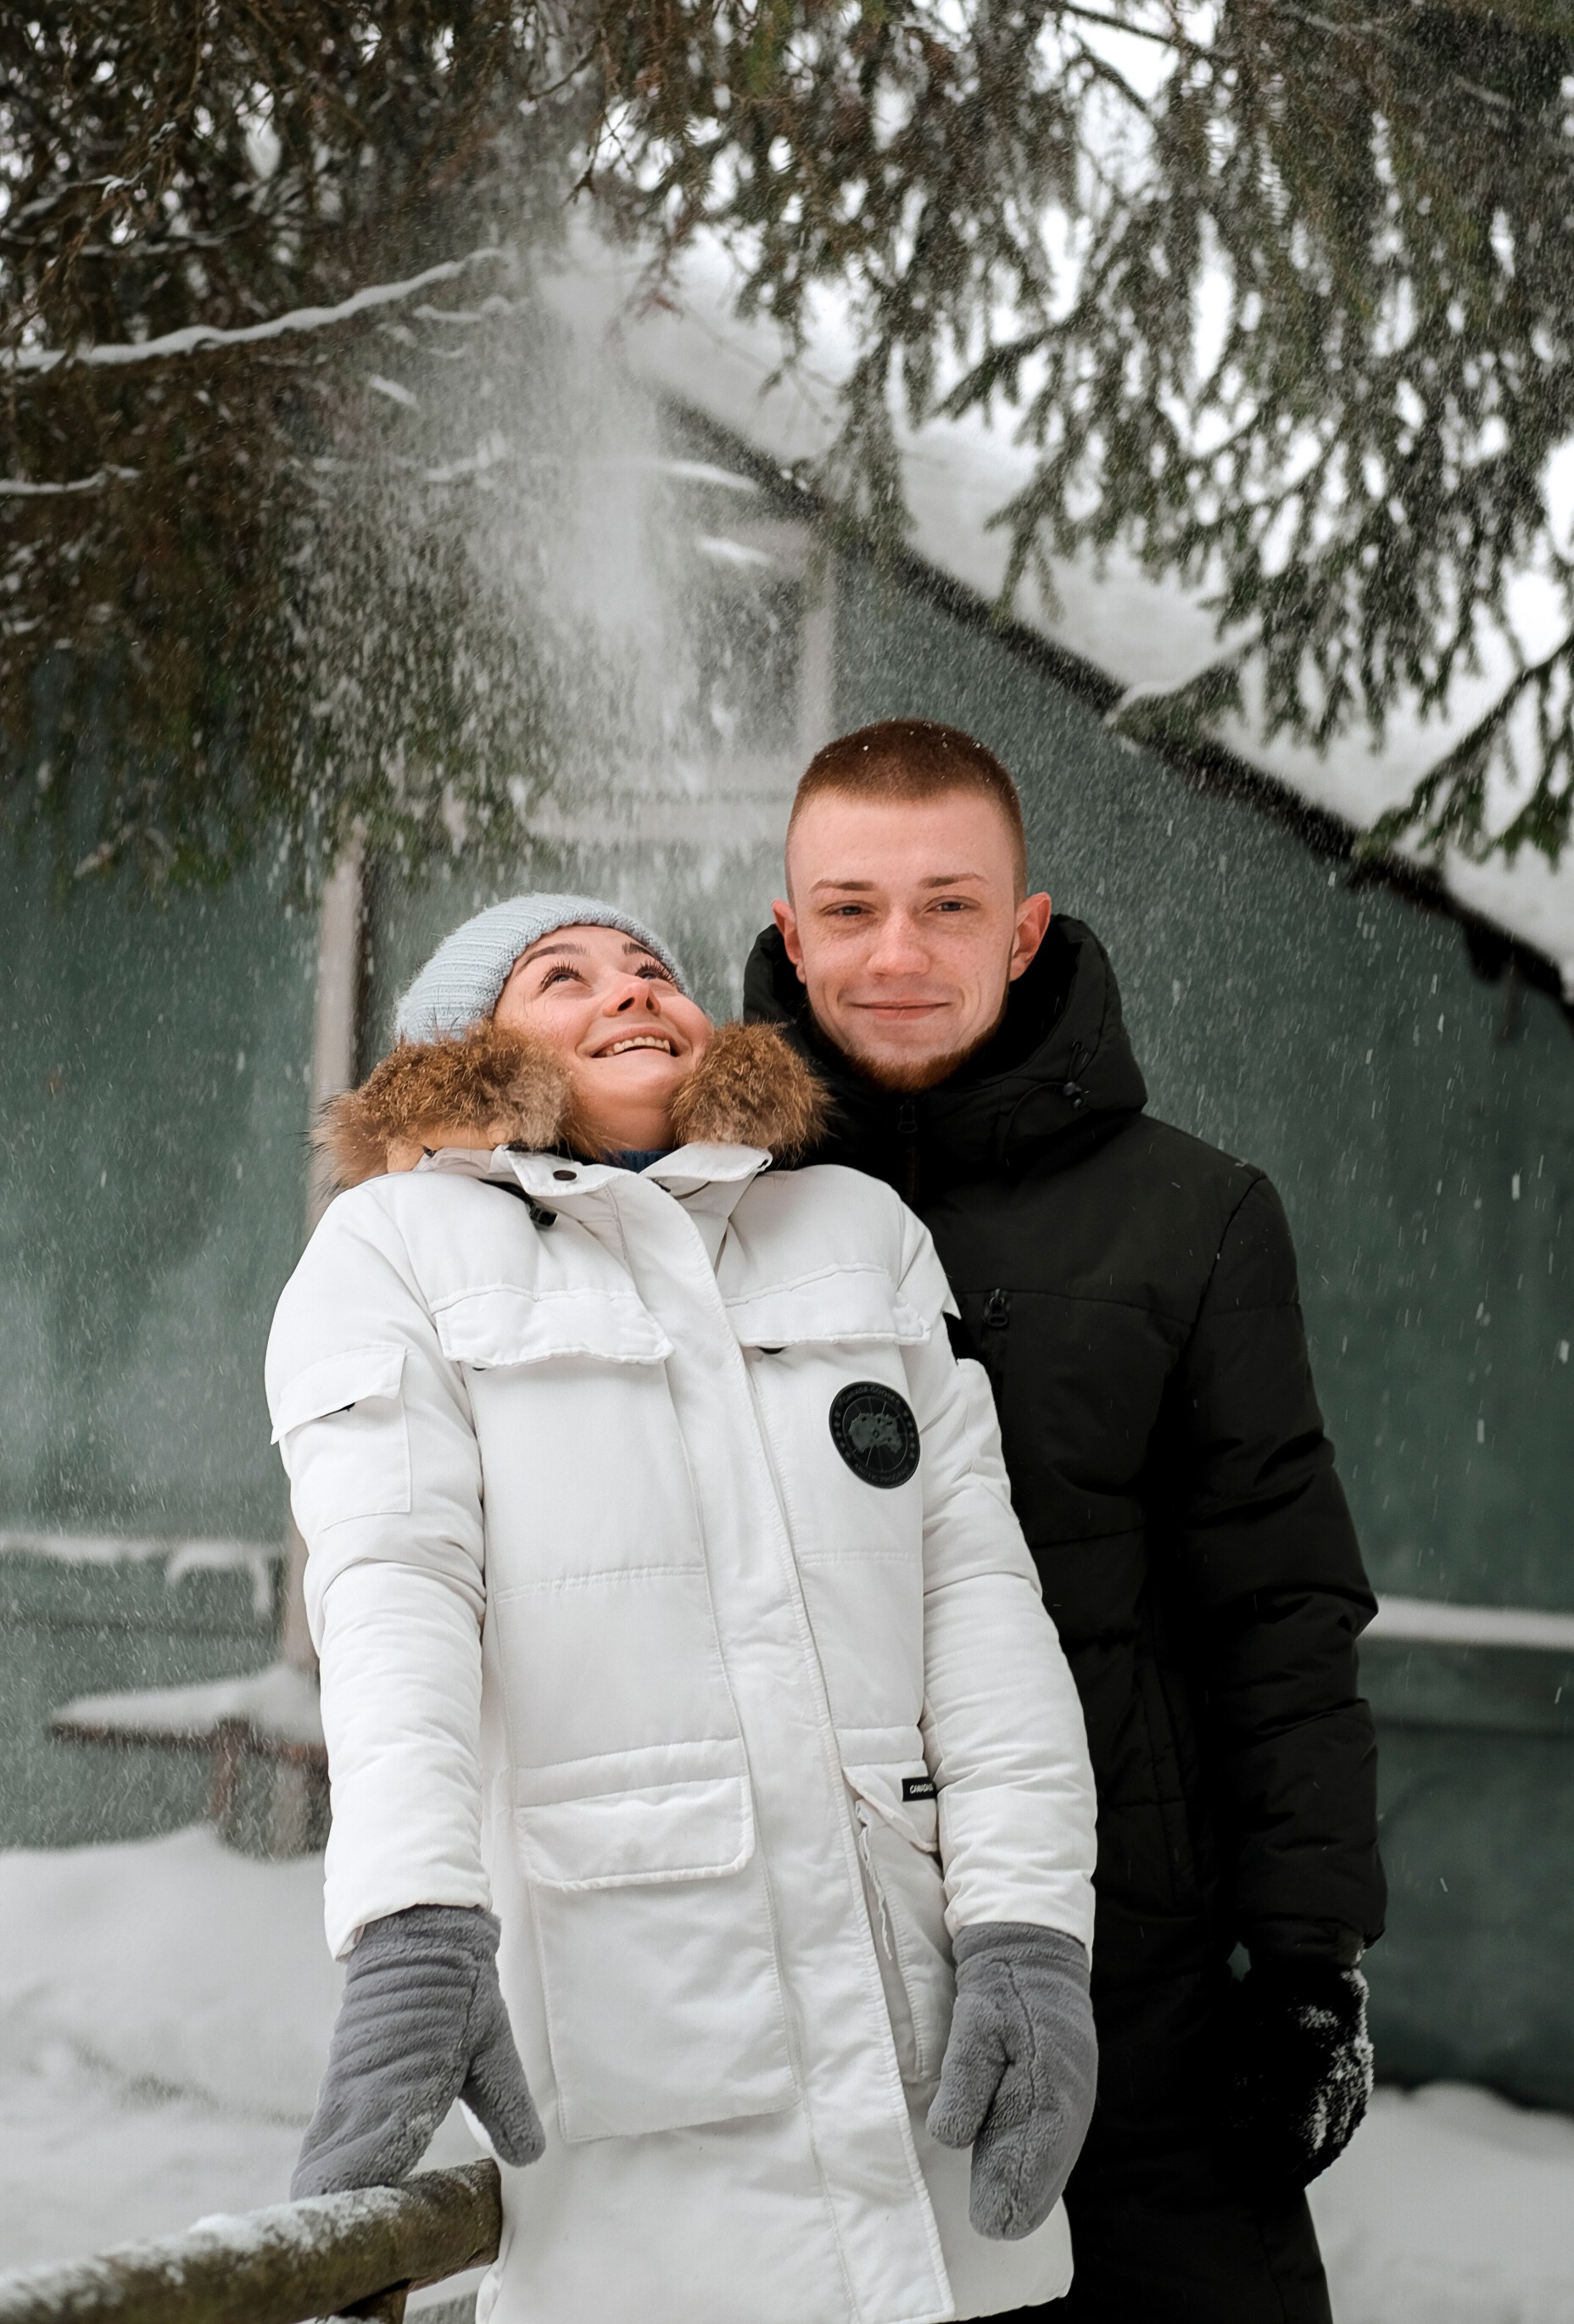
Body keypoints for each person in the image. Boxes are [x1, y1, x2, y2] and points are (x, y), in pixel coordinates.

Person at [271, 893, 1101, 2324]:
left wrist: (1030, 1929)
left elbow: (974, 1595)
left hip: (900, 2037)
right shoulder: (393, 1247)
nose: (631, 992)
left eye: (654, 969)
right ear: (468, 1047)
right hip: (635, 2036)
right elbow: (392, 1592)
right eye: (564, 976)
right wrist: (413, 1923)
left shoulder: (854, 1228)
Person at [745, 725, 1386, 2324]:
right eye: (851, 909)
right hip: (798, 1983)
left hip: (1140, 1988)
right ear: (786, 927)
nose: (897, 952)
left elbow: (1281, 1608)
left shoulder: (1193, 1218)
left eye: (950, 906)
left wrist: (1305, 1963)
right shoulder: (699, 1207)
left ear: (1025, 930)